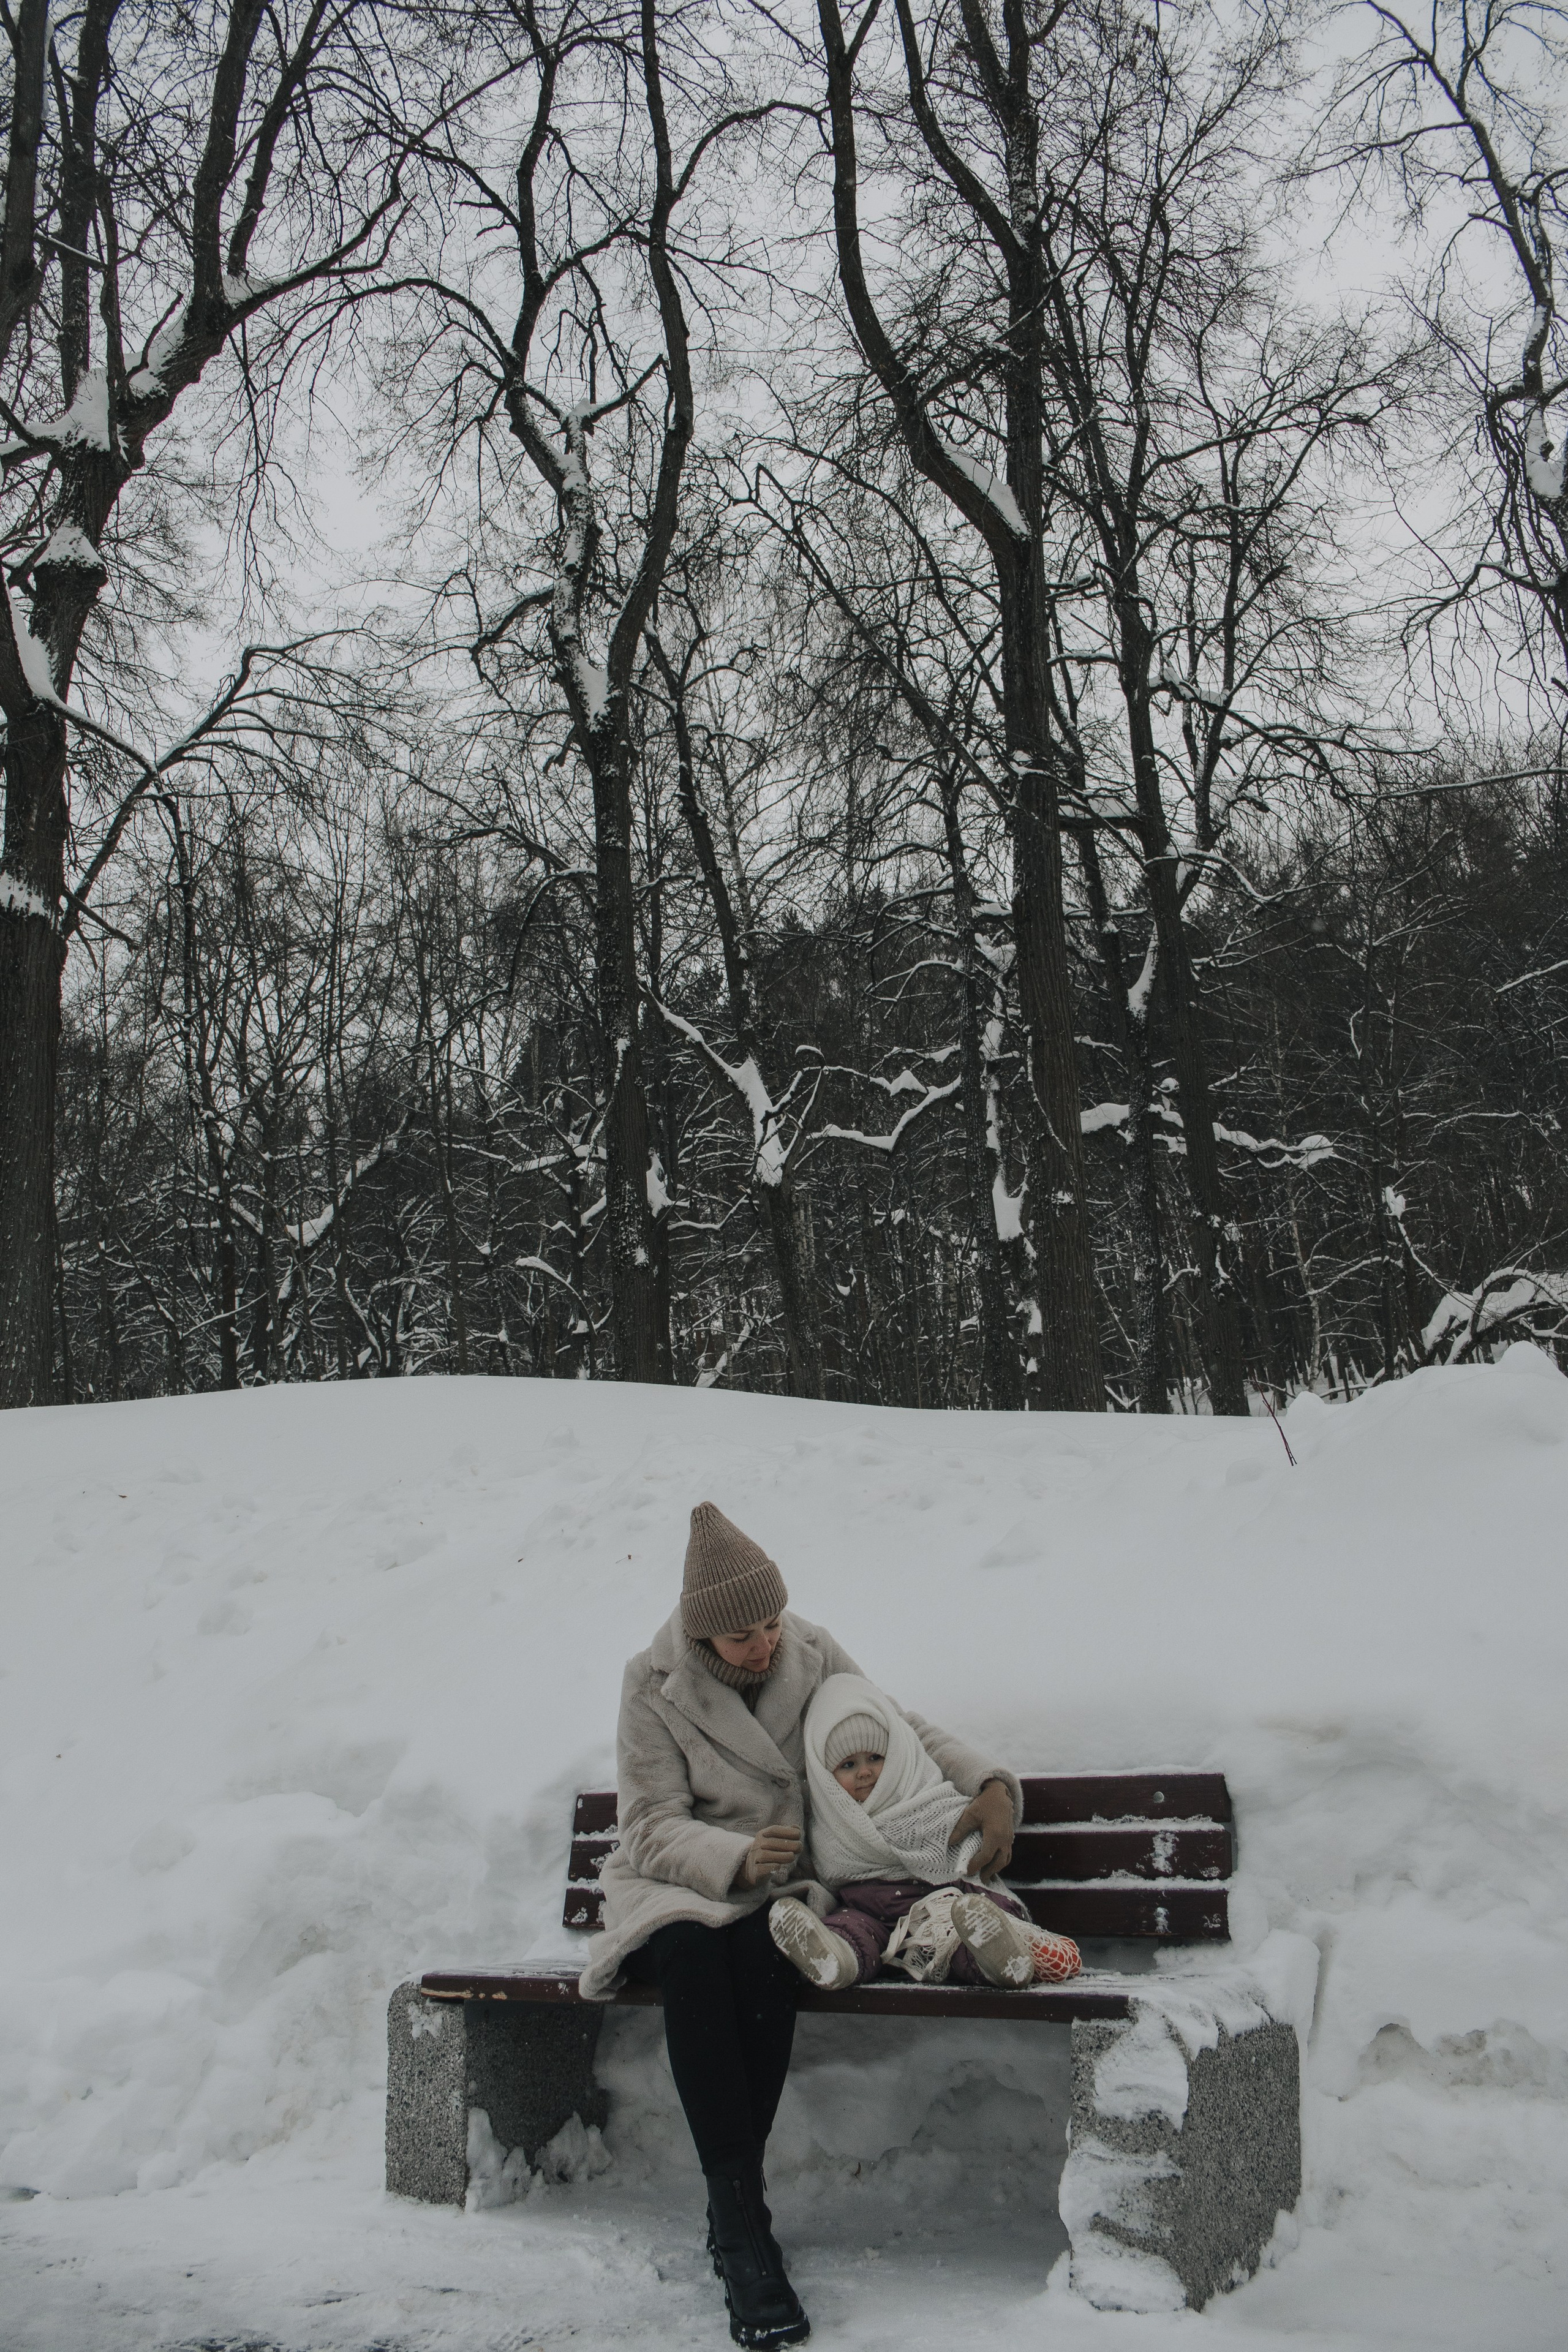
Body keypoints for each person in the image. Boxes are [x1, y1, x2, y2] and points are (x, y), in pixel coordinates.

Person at [580, 1502, 1021, 2350]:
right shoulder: (652, 1684)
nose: (767, 1646)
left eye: (773, 1623)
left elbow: (898, 1727)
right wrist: (733, 1858)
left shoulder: (810, 1650)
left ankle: (734, 2215)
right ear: (703, 1636)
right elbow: (647, 1824)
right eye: (744, 1636)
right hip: (683, 1880)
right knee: (693, 1958)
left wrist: (989, 1784)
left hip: (784, 1890)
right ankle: (744, 2227)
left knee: (766, 1959)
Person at [768, 1673, 1080, 1993]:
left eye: (875, 1758)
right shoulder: (830, 1821)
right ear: (827, 1775)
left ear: (897, 1757)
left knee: (960, 1941)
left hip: (944, 1911)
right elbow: (823, 1871)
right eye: (848, 1765)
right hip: (872, 1914)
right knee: (851, 1929)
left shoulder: (924, 1797)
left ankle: (999, 1959)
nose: (865, 1771)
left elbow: (966, 1851)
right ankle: (835, 1957)